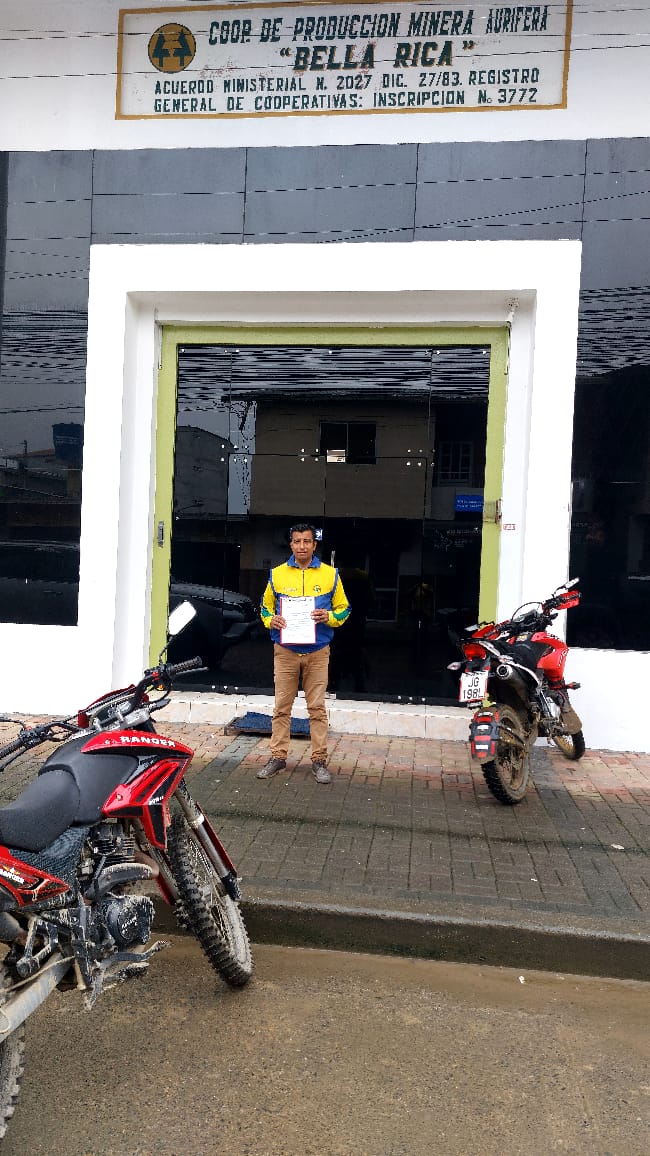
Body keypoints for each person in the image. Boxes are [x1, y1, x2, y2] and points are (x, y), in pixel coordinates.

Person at [257, 523, 350, 784]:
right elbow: (264, 608)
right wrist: (271, 620)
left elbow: (344, 608)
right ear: (291, 544)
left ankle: (319, 761)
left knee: (317, 708)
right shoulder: (277, 574)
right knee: (281, 707)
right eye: (297, 541)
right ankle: (278, 757)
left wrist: (329, 616)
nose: (302, 546)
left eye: (307, 541)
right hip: (285, 651)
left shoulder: (330, 574)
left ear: (314, 545)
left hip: (317, 651)